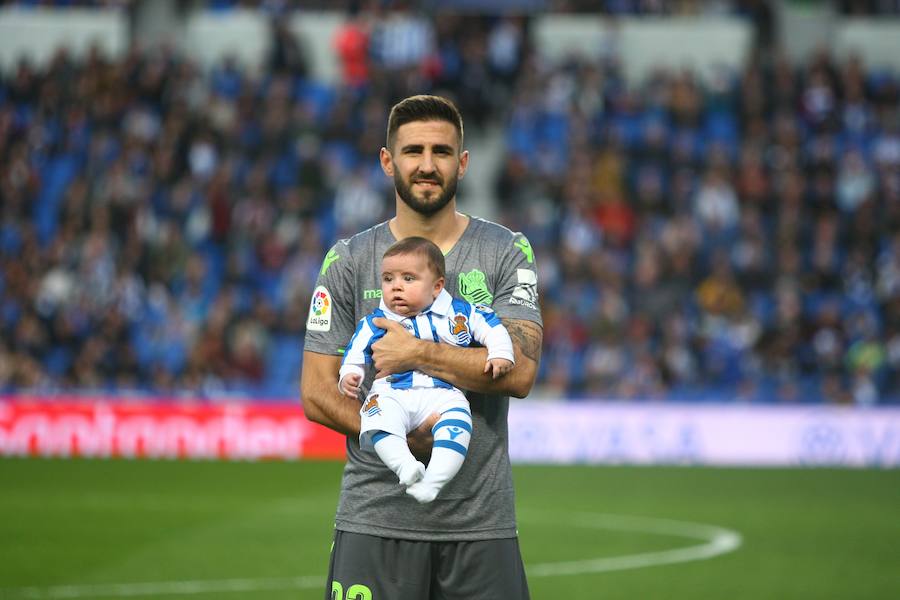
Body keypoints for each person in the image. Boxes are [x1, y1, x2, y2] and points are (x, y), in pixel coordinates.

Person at [301, 94, 542, 600]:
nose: (427, 165)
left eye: (441, 151)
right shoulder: (348, 259)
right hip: (375, 518)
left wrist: (417, 353)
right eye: (413, 151)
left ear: (464, 163)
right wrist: (401, 437)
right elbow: (317, 392)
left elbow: (518, 373)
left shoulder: (504, 250)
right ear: (388, 161)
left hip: (480, 524)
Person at [339, 236, 515, 504]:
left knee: (457, 423)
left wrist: (501, 352)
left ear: (437, 286)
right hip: (392, 391)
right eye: (388, 279)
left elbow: (490, 326)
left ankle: (434, 481)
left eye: (408, 279)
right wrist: (350, 372)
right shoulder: (376, 320)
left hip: (443, 394)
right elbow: (357, 347)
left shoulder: (459, 312)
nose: (396, 287)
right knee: (376, 418)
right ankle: (404, 467)